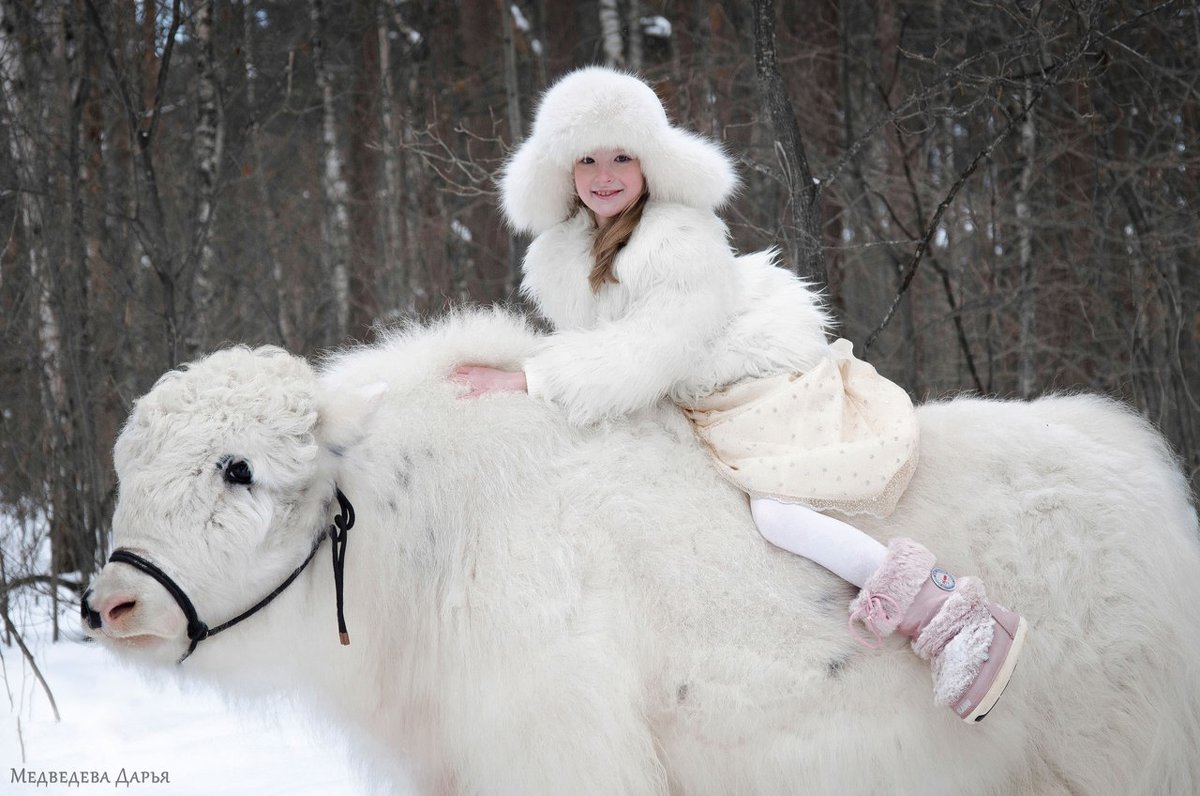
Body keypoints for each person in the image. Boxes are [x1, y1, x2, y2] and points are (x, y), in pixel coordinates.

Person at [453, 66, 1026, 723]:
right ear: (562, 169)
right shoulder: (561, 255)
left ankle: (949, 616)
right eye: (587, 158)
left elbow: (648, 353)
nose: (604, 174)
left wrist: (532, 379)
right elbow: (600, 353)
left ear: (649, 163)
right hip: (683, 398)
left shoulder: (679, 239)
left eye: (621, 157)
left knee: (776, 516)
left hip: (743, 380)